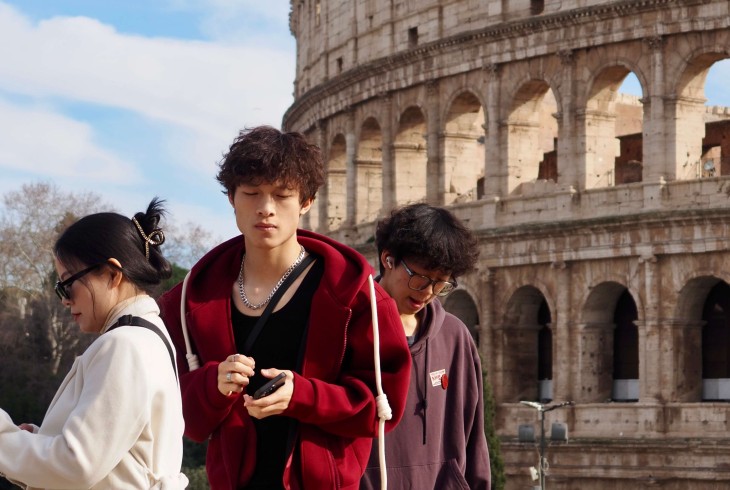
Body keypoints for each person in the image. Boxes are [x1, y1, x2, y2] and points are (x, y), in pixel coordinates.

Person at [157, 125, 411, 490]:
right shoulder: (188, 302)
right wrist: (212, 385)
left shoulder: (357, 296)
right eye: (251, 193)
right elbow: (184, 422)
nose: (266, 209)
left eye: (282, 195)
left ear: (306, 202)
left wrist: (303, 396)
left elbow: (381, 411)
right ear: (231, 197)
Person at [0, 199, 188, 489]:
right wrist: (40, 438)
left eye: (67, 283)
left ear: (112, 274)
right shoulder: (147, 337)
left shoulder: (125, 346)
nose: (64, 299)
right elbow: (121, 460)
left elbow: (77, 464)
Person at [360, 203, 491, 490]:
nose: (428, 292)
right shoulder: (349, 327)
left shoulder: (454, 336)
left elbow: (474, 436)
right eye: (420, 278)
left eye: (440, 283)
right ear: (388, 259)